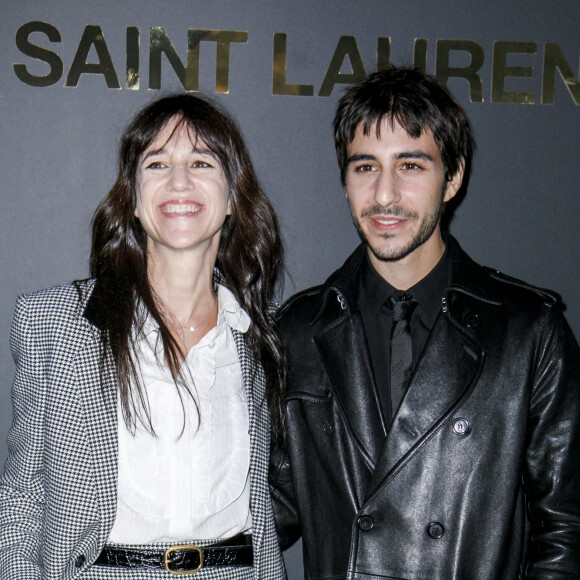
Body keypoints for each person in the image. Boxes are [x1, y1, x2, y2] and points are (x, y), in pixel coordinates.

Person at [270, 67, 580, 578]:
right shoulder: (299, 331)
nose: (385, 195)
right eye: (365, 168)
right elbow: (263, 512)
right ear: (345, 183)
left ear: (452, 177)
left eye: (410, 166)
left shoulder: (527, 333)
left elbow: (564, 531)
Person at [0, 94, 286, 579]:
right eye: (157, 164)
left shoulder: (259, 336)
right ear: (132, 199)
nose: (179, 182)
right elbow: (22, 500)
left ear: (233, 195)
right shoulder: (55, 323)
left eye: (201, 162)